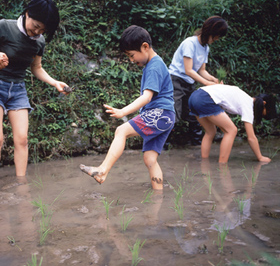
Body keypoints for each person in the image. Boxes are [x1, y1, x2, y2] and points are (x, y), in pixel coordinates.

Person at [0, 0, 69, 180]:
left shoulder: (39, 42)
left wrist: (54, 82)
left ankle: (21, 184)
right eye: (36, 25)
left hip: (17, 89)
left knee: (22, 140)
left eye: (43, 29)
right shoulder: (4, 26)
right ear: (27, 13)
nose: (37, 31)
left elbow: (36, 68)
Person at [80, 25, 175, 190]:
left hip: (160, 113)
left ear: (145, 47)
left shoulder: (154, 67)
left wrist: (123, 111)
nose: (131, 60)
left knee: (121, 131)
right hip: (167, 117)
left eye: (132, 55)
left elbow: (147, 97)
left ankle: (102, 171)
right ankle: (158, 197)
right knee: (150, 160)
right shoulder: (155, 65)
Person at [168, 16, 228, 144]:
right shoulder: (190, 43)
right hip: (176, 80)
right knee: (174, 113)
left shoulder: (205, 48)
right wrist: (207, 83)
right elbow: (188, 70)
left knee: (194, 112)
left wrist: (214, 80)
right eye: (216, 36)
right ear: (209, 32)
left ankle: (196, 143)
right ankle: (163, 146)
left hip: (190, 82)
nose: (217, 39)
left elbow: (202, 70)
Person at [188, 84, 277, 163]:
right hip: (205, 99)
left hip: (194, 97)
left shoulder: (242, 96)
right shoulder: (248, 104)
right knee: (232, 130)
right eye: (266, 111)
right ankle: (222, 166)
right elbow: (251, 138)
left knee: (210, 131)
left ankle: (204, 163)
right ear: (264, 103)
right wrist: (260, 157)